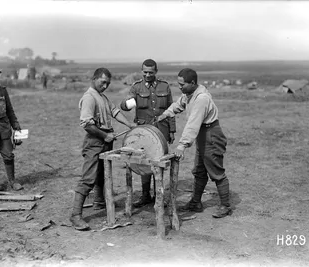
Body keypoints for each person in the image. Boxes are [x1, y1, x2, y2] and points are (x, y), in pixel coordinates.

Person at [157, 68, 232, 218]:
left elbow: (193, 124)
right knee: (199, 170)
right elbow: (179, 104)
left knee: (216, 171)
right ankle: (196, 202)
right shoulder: (189, 94)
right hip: (203, 135)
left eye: (182, 84)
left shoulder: (201, 99)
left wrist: (182, 145)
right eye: (178, 84)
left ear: (192, 83)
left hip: (211, 135)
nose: (180, 87)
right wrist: (166, 114)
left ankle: (225, 205)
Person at [70, 68, 137, 230]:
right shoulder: (89, 98)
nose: (105, 86)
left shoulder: (102, 97)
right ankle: (75, 215)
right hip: (95, 141)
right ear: (93, 79)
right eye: (103, 82)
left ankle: (99, 202)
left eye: (108, 83)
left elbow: (114, 111)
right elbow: (86, 124)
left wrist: (129, 124)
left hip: (105, 140)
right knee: (88, 177)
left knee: (101, 173)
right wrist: (104, 135)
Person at [120, 59, 176, 208]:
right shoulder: (136, 87)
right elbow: (125, 106)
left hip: (162, 130)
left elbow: (171, 109)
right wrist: (126, 104)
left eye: (151, 72)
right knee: (143, 161)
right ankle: (145, 195)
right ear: (142, 71)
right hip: (143, 131)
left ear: (156, 71)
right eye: (145, 72)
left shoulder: (165, 86)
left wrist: (172, 130)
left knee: (159, 161)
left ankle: (159, 195)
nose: (148, 75)